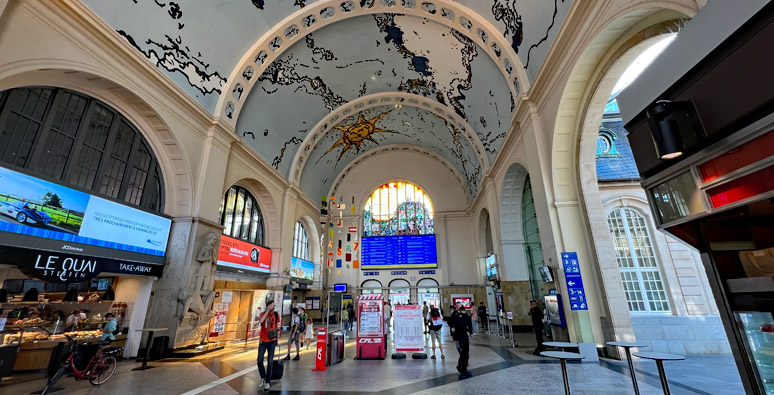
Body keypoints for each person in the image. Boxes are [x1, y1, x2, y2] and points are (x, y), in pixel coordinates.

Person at [257, 300, 281, 390]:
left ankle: (267, 381)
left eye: (274, 306)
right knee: (259, 360)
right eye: (271, 306)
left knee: (270, 362)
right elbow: (260, 321)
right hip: (263, 341)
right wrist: (267, 311)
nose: (273, 307)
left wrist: (277, 340)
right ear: (267, 306)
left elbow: (277, 328)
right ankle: (263, 376)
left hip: (272, 341)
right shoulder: (263, 313)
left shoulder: (276, 315)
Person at [450, 305, 473, 379]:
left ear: (459, 310)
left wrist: (453, 331)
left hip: (457, 336)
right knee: (465, 352)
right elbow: (470, 326)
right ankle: (463, 369)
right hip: (464, 335)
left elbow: (450, 322)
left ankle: (460, 366)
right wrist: (470, 333)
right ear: (464, 310)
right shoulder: (466, 316)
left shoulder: (455, 316)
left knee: (462, 351)